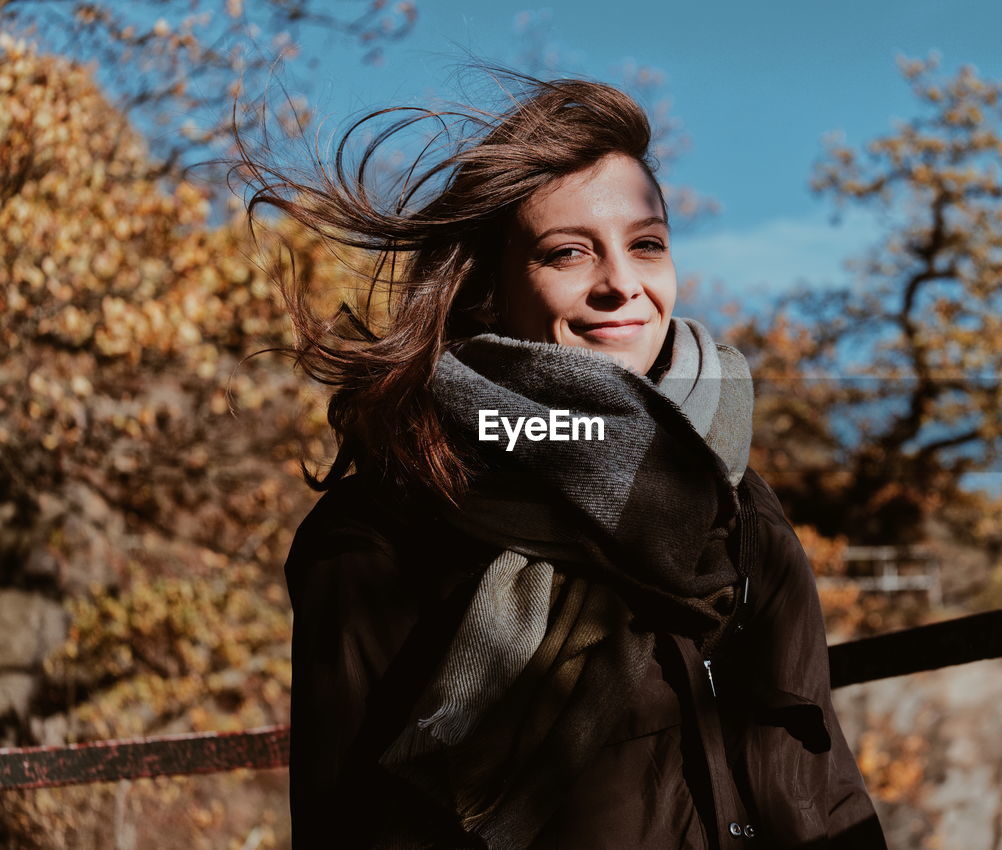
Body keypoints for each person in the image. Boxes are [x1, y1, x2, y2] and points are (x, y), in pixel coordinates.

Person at [259, 66, 888, 849]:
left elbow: (816, 780)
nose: (622, 284)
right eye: (567, 253)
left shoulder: (732, 493)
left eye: (647, 244)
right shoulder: (385, 535)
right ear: (492, 288)